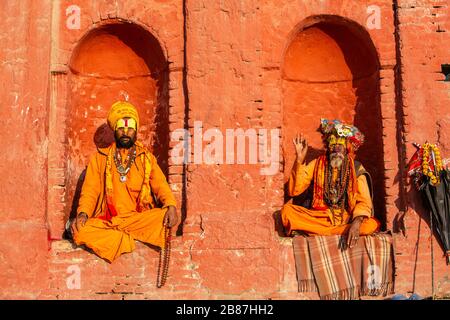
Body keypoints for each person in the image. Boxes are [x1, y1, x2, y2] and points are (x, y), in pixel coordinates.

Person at [69, 101, 178, 262]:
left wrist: (170, 205)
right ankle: (125, 237)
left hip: (138, 219)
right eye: (121, 128)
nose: (125, 132)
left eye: (130, 128)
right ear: (114, 130)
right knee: (80, 230)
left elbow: (160, 185)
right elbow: (90, 191)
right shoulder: (100, 158)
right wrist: (83, 214)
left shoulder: (146, 158)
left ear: (136, 131)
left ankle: (121, 233)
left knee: (162, 217)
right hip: (107, 221)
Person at [281, 119, 380, 248]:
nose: (336, 148)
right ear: (328, 147)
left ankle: (315, 232)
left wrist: (356, 223)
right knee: (287, 212)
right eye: (333, 144)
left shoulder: (356, 168)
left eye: (340, 144)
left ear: (347, 148)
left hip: (346, 220)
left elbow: (364, 201)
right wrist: (299, 159)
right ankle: (327, 232)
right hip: (319, 218)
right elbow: (294, 190)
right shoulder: (317, 164)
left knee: (369, 225)